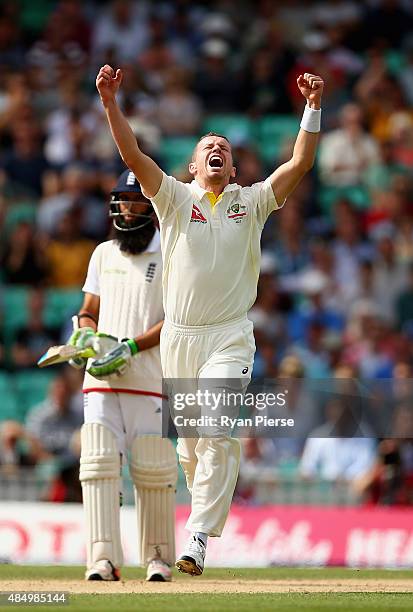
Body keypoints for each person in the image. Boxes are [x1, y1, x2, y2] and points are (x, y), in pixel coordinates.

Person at [96, 63, 323, 575]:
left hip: (229, 337)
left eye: (224, 147)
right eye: (206, 147)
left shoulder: (254, 200)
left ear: (234, 169)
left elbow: (301, 162)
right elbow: (132, 155)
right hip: (180, 337)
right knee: (193, 452)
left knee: (218, 432)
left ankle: (198, 538)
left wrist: (311, 107)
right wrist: (111, 103)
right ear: (193, 166)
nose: (216, 150)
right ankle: (199, 513)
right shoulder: (174, 198)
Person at [68, 169, 177, 582]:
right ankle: (103, 558)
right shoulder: (102, 253)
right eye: (122, 201)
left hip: (149, 377)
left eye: (135, 201)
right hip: (100, 379)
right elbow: (89, 308)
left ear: (151, 206)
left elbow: (176, 321)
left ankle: (158, 559)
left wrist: (130, 347)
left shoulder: (171, 251)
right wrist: (84, 330)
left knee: (152, 469)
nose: (128, 209)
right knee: (96, 463)